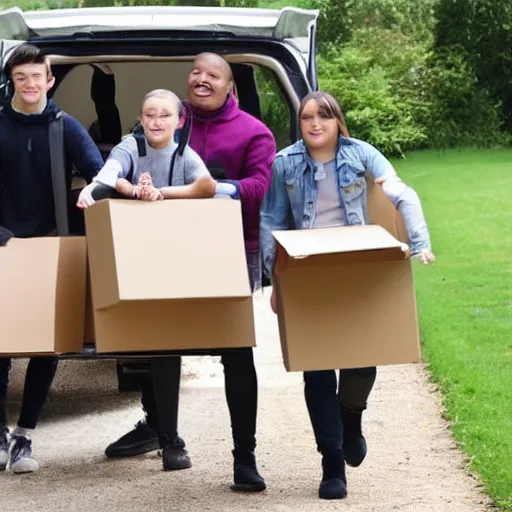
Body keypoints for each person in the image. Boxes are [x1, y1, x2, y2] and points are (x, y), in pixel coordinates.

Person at [104, 52, 276, 493]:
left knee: (236, 351)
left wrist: (207, 189)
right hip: (163, 250)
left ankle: (245, 457)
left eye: (212, 74)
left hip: (231, 250)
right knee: (163, 344)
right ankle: (166, 437)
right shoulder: (165, 121)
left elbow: (260, 189)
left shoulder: (253, 132)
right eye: (196, 72)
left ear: (230, 85)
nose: (201, 79)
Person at [260, 91, 435, 500]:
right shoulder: (284, 162)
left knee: (360, 361)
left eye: (324, 116)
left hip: (356, 265)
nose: (315, 124)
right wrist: (275, 282)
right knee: (316, 369)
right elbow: (271, 221)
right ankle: (332, 461)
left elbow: (401, 192)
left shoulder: (362, 155)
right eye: (307, 118)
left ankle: (351, 417)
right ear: (300, 123)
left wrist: (420, 240)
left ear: (338, 120)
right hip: (306, 270)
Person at [0, 44, 104, 474]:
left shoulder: (65, 126)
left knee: (48, 347)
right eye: (20, 77)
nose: (29, 85)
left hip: (50, 246)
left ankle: (24, 437)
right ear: (12, 81)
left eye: (36, 77)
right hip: (2, 246)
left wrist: (93, 197)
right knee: (1, 348)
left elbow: (100, 173)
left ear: (50, 81)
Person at [76, 88, 217, 207]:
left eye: (165, 115)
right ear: (141, 120)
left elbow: (208, 185)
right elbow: (111, 170)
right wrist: (132, 191)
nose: (156, 122)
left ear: (180, 121)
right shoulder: (131, 146)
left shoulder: (182, 153)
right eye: (149, 115)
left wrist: (160, 193)